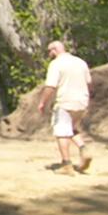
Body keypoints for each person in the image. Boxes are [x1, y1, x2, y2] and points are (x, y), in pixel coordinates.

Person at [37, 40, 93, 175]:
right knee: (71, 129)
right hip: (81, 101)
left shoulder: (56, 64)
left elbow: (50, 86)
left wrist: (43, 102)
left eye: (50, 51)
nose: (49, 54)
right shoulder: (80, 62)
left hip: (65, 101)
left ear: (54, 50)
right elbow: (89, 81)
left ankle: (66, 164)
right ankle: (84, 150)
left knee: (62, 132)